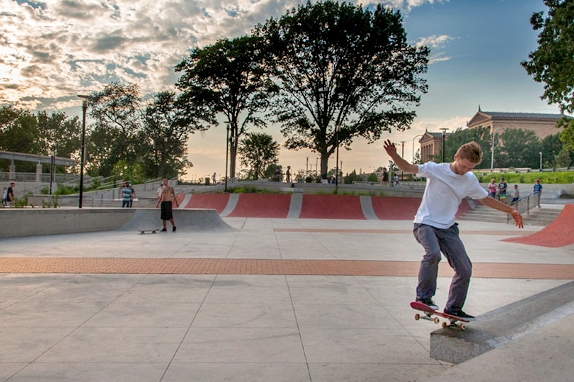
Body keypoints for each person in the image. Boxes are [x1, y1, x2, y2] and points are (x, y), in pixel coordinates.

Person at [384, 139, 523, 321]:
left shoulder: (470, 180)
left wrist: (510, 209)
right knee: (433, 254)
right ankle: (424, 297)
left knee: (465, 268)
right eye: (463, 166)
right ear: (456, 157)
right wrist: (395, 156)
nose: (465, 171)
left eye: (469, 168)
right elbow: (409, 167)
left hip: (448, 229)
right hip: (425, 224)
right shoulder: (435, 168)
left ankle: (453, 309)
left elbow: (486, 199)